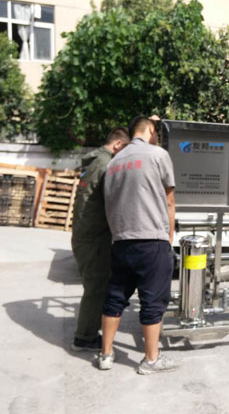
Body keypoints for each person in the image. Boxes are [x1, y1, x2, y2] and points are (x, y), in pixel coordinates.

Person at [99, 115, 177, 374]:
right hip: (151, 240)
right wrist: (169, 236)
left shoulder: (114, 161)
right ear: (151, 130)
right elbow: (169, 201)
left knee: (115, 299)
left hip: (121, 241)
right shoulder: (158, 154)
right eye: (156, 132)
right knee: (153, 301)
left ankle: (105, 355)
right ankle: (151, 360)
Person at [71, 127, 130, 351]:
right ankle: (84, 337)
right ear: (118, 145)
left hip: (86, 235)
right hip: (94, 238)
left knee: (95, 285)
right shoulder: (106, 165)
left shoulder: (95, 160)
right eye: (125, 150)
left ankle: (87, 332)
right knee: (96, 288)